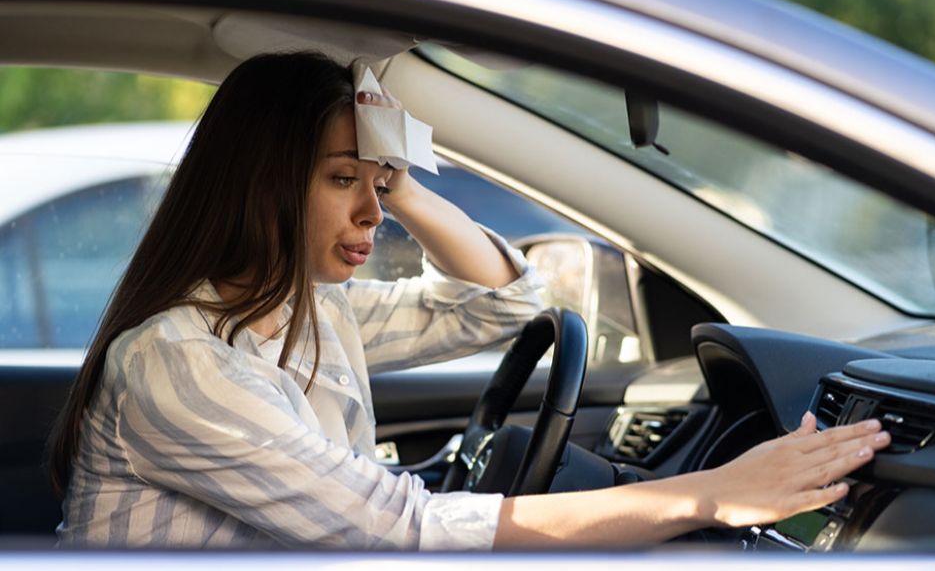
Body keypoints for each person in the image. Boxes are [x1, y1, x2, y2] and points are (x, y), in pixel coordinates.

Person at [48, 51, 890, 550]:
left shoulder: (305, 312)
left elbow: (502, 304)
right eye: (344, 180)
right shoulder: (181, 361)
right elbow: (396, 531)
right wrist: (708, 496)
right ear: (261, 186)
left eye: (377, 184)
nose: (372, 213)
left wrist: (400, 179)